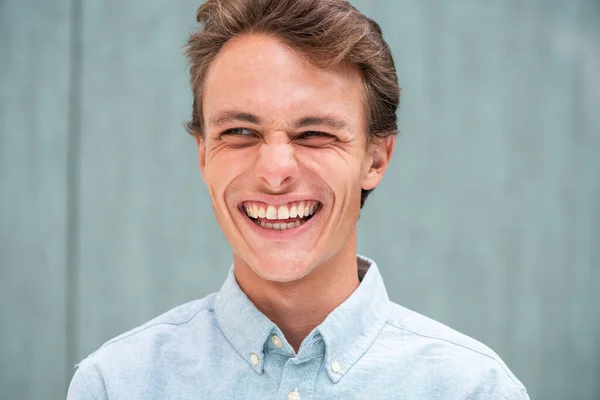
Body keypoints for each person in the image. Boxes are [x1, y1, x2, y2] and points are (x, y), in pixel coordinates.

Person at [67, 0, 529, 398]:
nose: (274, 171)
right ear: (204, 155)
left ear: (375, 159)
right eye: (240, 132)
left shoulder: (475, 390)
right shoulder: (115, 386)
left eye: (315, 134)